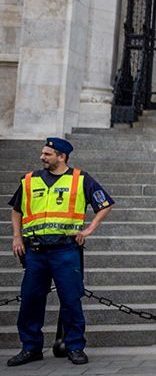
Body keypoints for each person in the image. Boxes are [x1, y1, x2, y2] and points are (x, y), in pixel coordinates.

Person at [7, 137, 114, 367]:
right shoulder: (29, 180)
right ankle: (31, 347)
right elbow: (16, 210)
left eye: (47, 154)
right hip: (35, 251)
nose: (42, 157)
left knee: (70, 300)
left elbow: (105, 204)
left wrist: (88, 230)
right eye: (43, 153)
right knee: (30, 300)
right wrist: (17, 237)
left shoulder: (80, 179)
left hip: (65, 250)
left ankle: (74, 347)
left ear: (61, 157)